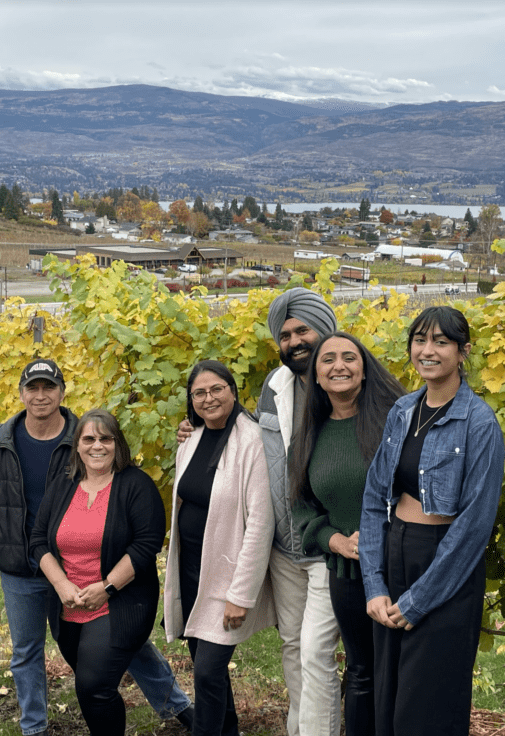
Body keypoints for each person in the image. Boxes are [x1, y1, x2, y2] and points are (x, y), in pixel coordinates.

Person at [0, 359, 193, 736]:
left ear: (62, 391)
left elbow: (135, 518)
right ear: (22, 393)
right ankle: (34, 728)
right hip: (26, 566)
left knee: (126, 649)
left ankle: (177, 706)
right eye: (33, 388)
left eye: (48, 387)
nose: (40, 395)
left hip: (94, 569)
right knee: (27, 652)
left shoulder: (83, 435)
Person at [179, 288, 342, 736]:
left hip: (332, 544)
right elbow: (257, 437)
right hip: (287, 548)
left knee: (315, 651)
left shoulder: (348, 382)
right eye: (285, 334)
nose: (293, 341)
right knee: (293, 648)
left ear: (324, 328)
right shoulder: (275, 386)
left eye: (302, 330)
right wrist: (200, 427)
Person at [360, 306, 505, 736]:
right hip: (395, 553)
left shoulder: (480, 424)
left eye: (441, 342)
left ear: (463, 352)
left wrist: (420, 599)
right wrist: (375, 584)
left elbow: (473, 526)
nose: (428, 351)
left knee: (427, 708)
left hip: (445, 568)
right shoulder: (403, 411)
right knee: (389, 699)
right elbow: (373, 499)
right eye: (420, 340)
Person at [290, 333, 405, 736]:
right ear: (316, 376)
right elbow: (303, 509)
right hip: (347, 572)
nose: (339, 366)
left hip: (402, 565)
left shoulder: (396, 419)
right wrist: (335, 540)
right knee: (361, 672)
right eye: (328, 360)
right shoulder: (308, 436)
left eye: (349, 357)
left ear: (364, 367)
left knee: (401, 671)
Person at [29, 408, 165, 736]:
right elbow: (37, 542)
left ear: (118, 444)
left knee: (92, 686)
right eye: (89, 438)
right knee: (95, 687)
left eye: (106, 438)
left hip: (119, 603)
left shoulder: (136, 485)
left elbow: (146, 545)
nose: (97, 445)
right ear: (77, 446)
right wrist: (61, 585)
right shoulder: (64, 484)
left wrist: (106, 586)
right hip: (68, 606)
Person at [165, 360, 276, 736]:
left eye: (217, 389)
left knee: (208, 671)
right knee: (207, 669)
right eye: (199, 392)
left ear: (233, 390)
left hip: (227, 576)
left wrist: (241, 595)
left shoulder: (252, 441)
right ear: (191, 400)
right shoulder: (191, 438)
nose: (208, 398)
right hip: (192, 570)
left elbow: (261, 523)